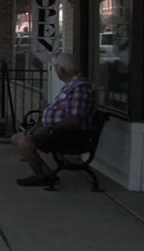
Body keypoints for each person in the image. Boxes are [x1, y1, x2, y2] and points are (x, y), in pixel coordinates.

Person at [11, 53, 95, 187]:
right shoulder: (70, 86)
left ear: (62, 70)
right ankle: (46, 175)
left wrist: (49, 128)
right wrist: (37, 126)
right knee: (17, 138)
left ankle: (42, 176)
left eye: (56, 68)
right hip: (56, 131)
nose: (55, 71)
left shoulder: (80, 88)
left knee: (24, 143)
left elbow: (75, 121)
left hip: (70, 135)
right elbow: (56, 113)